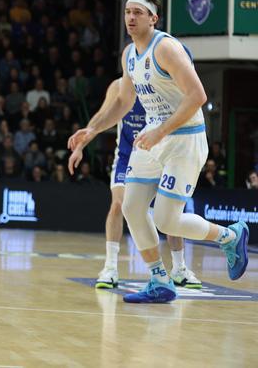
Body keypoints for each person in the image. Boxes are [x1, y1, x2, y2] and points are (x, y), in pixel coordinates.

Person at [68, 0, 249, 304]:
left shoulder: (165, 48)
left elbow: (198, 96)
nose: (131, 18)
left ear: (153, 18)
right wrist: (93, 130)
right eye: (127, 12)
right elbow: (124, 100)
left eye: (138, 12)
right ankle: (159, 279)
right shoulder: (129, 55)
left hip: (184, 137)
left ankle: (230, 236)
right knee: (131, 207)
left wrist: (162, 130)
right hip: (154, 136)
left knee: (166, 219)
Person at [69, 79, 200, 289]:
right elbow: (102, 117)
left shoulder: (160, 83)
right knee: (118, 205)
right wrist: (81, 145)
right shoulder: (119, 86)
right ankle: (110, 267)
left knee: (170, 212)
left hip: (160, 152)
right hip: (127, 156)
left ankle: (179, 268)